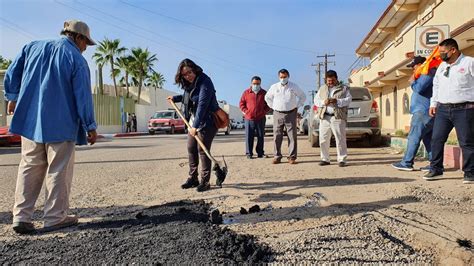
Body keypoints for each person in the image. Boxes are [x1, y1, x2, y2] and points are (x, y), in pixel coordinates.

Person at [4, 20, 97, 234]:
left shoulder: (33, 47)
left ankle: (21, 217)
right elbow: (82, 96)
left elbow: (13, 71)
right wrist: (89, 125)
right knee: (58, 169)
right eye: (86, 44)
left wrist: (12, 96)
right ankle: (55, 217)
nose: (85, 49)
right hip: (61, 123)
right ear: (79, 38)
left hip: (30, 120)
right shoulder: (76, 59)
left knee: (29, 166)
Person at [424, 38, 474, 184]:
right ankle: (436, 169)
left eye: (443, 52)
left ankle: (470, 172)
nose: (440, 55)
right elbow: (436, 86)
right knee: (436, 139)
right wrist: (433, 103)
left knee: (466, 141)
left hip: (465, 108)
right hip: (443, 109)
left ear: (453, 50)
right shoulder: (442, 66)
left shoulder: (469, 62)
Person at [167, 58, 220, 192]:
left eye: (190, 72)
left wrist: (195, 126)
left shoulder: (205, 81)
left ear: (195, 69)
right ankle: (193, 178)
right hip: (193, 120)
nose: (188, 76)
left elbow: (202, 104)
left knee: (203, 150)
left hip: (207, 120)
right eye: (184, 74)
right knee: (191, 148)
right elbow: (188, 96)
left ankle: (205, 181)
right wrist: (175, 98)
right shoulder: (187, 83)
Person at [392, 56, 436, 171]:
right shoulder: (425, 72)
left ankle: (406, 163)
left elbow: (419, 88)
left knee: (413, 137)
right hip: (425, 111)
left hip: (422, 112)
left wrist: (413, 82)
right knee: (428, 139)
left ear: (421, 64)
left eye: (414, 66)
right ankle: (434, 164)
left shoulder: (427, 72)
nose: (413, 69)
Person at [265, 69, 306, 164]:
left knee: (292, 136)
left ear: (288, 76)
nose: (283, 79)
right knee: (277, 135)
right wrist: (273, 106)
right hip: (278, 113)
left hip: (291, 113)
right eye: (281, 77)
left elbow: (303, 96)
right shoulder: (274, 87)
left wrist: (297, 106)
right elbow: (267, 97)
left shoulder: (294, 86)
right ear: (278, 77)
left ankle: (292, 157)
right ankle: (277, 156)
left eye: (285, 77)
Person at [314, 70, 352, 167]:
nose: (330, 82)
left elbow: (348, 100)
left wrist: (337, 101)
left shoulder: (344, 88)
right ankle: (325, 159)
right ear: (326, 80)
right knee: (323, 139)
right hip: (325, 117)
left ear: (336, 79)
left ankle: (342, 159)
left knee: (340, 139)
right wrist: (323, 102)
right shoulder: (322, 89)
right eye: (328, 81)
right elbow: (316, 101)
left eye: (332, 80)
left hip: (337, 117)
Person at [239, 76, 270, 159]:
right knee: (249, 136)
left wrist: (264, 111)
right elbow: (241, 104)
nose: (256, 85)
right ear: (251, 83)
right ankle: (249, 154)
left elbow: (268, 104)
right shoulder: (246, 93)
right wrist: (246, 111)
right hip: (249, 119)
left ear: (260, 84)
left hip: (261, 118)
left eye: (258, 84)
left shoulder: (264, 93)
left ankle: (260, 153)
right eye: (254, 83)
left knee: (260, 136)